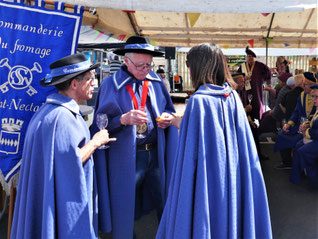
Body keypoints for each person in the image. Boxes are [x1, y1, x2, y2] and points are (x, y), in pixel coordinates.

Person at [156, 43, 272, 239]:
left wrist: (176, 122)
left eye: (189, 64)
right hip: (233, 175)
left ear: (198, 67)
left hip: (208, 178)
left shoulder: (199, 101)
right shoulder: (232, 95)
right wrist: (179, 122)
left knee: (205, 215)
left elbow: (194, 142)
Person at [10, 53, 115, 239]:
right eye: (90, 78)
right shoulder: (63, 117)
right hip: (64, 207)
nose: (94, 83)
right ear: (74, 84)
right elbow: (70, 163)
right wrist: (96, 142)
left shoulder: (48, 110)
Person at [90, 36, 178, 239]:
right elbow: (99, 125)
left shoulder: (156, 82)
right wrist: (122, 119)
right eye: (140, 65)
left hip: (156, 154)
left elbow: (168, 109)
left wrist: (166, 118)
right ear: (126, 61)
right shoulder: (110, 85)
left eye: (148, 64)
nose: (145, 69)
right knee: (123, 204)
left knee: (165, 199)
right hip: (127, 158)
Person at [274, 72, 317, 169]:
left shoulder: (316, 97)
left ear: (312, 85)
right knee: (282, 134)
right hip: (299, 126)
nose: (303, 86)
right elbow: (296, 112)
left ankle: (301, 167)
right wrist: (288, 124)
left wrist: (307, 126)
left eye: (305, 84)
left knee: (299, 143)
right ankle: (287, 162)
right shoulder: (302, 95)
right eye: (303, 84)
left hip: (312, 129)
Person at [290, 83, 318, 188]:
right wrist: (307, 124)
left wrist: (306, 131)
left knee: (303, 151)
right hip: (314, 138)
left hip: (316, 138)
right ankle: (299, 176)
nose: (313, 99)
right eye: (313, 96)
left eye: (316, 97)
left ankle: (313, 181)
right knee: (298, 146)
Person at [238, 46, 272, 120]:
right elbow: (237, 78)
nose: (250, 58)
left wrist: (267, 82)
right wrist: (244, 78)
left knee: (257, 107)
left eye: (251, 56)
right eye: (249, 56)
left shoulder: (259, 65)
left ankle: (259, 124)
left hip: (257, 92)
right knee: (247, 108)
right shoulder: (242, 66)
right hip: (246, 92)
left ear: (253, 57)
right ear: (246, 57)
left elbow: (268, 72)